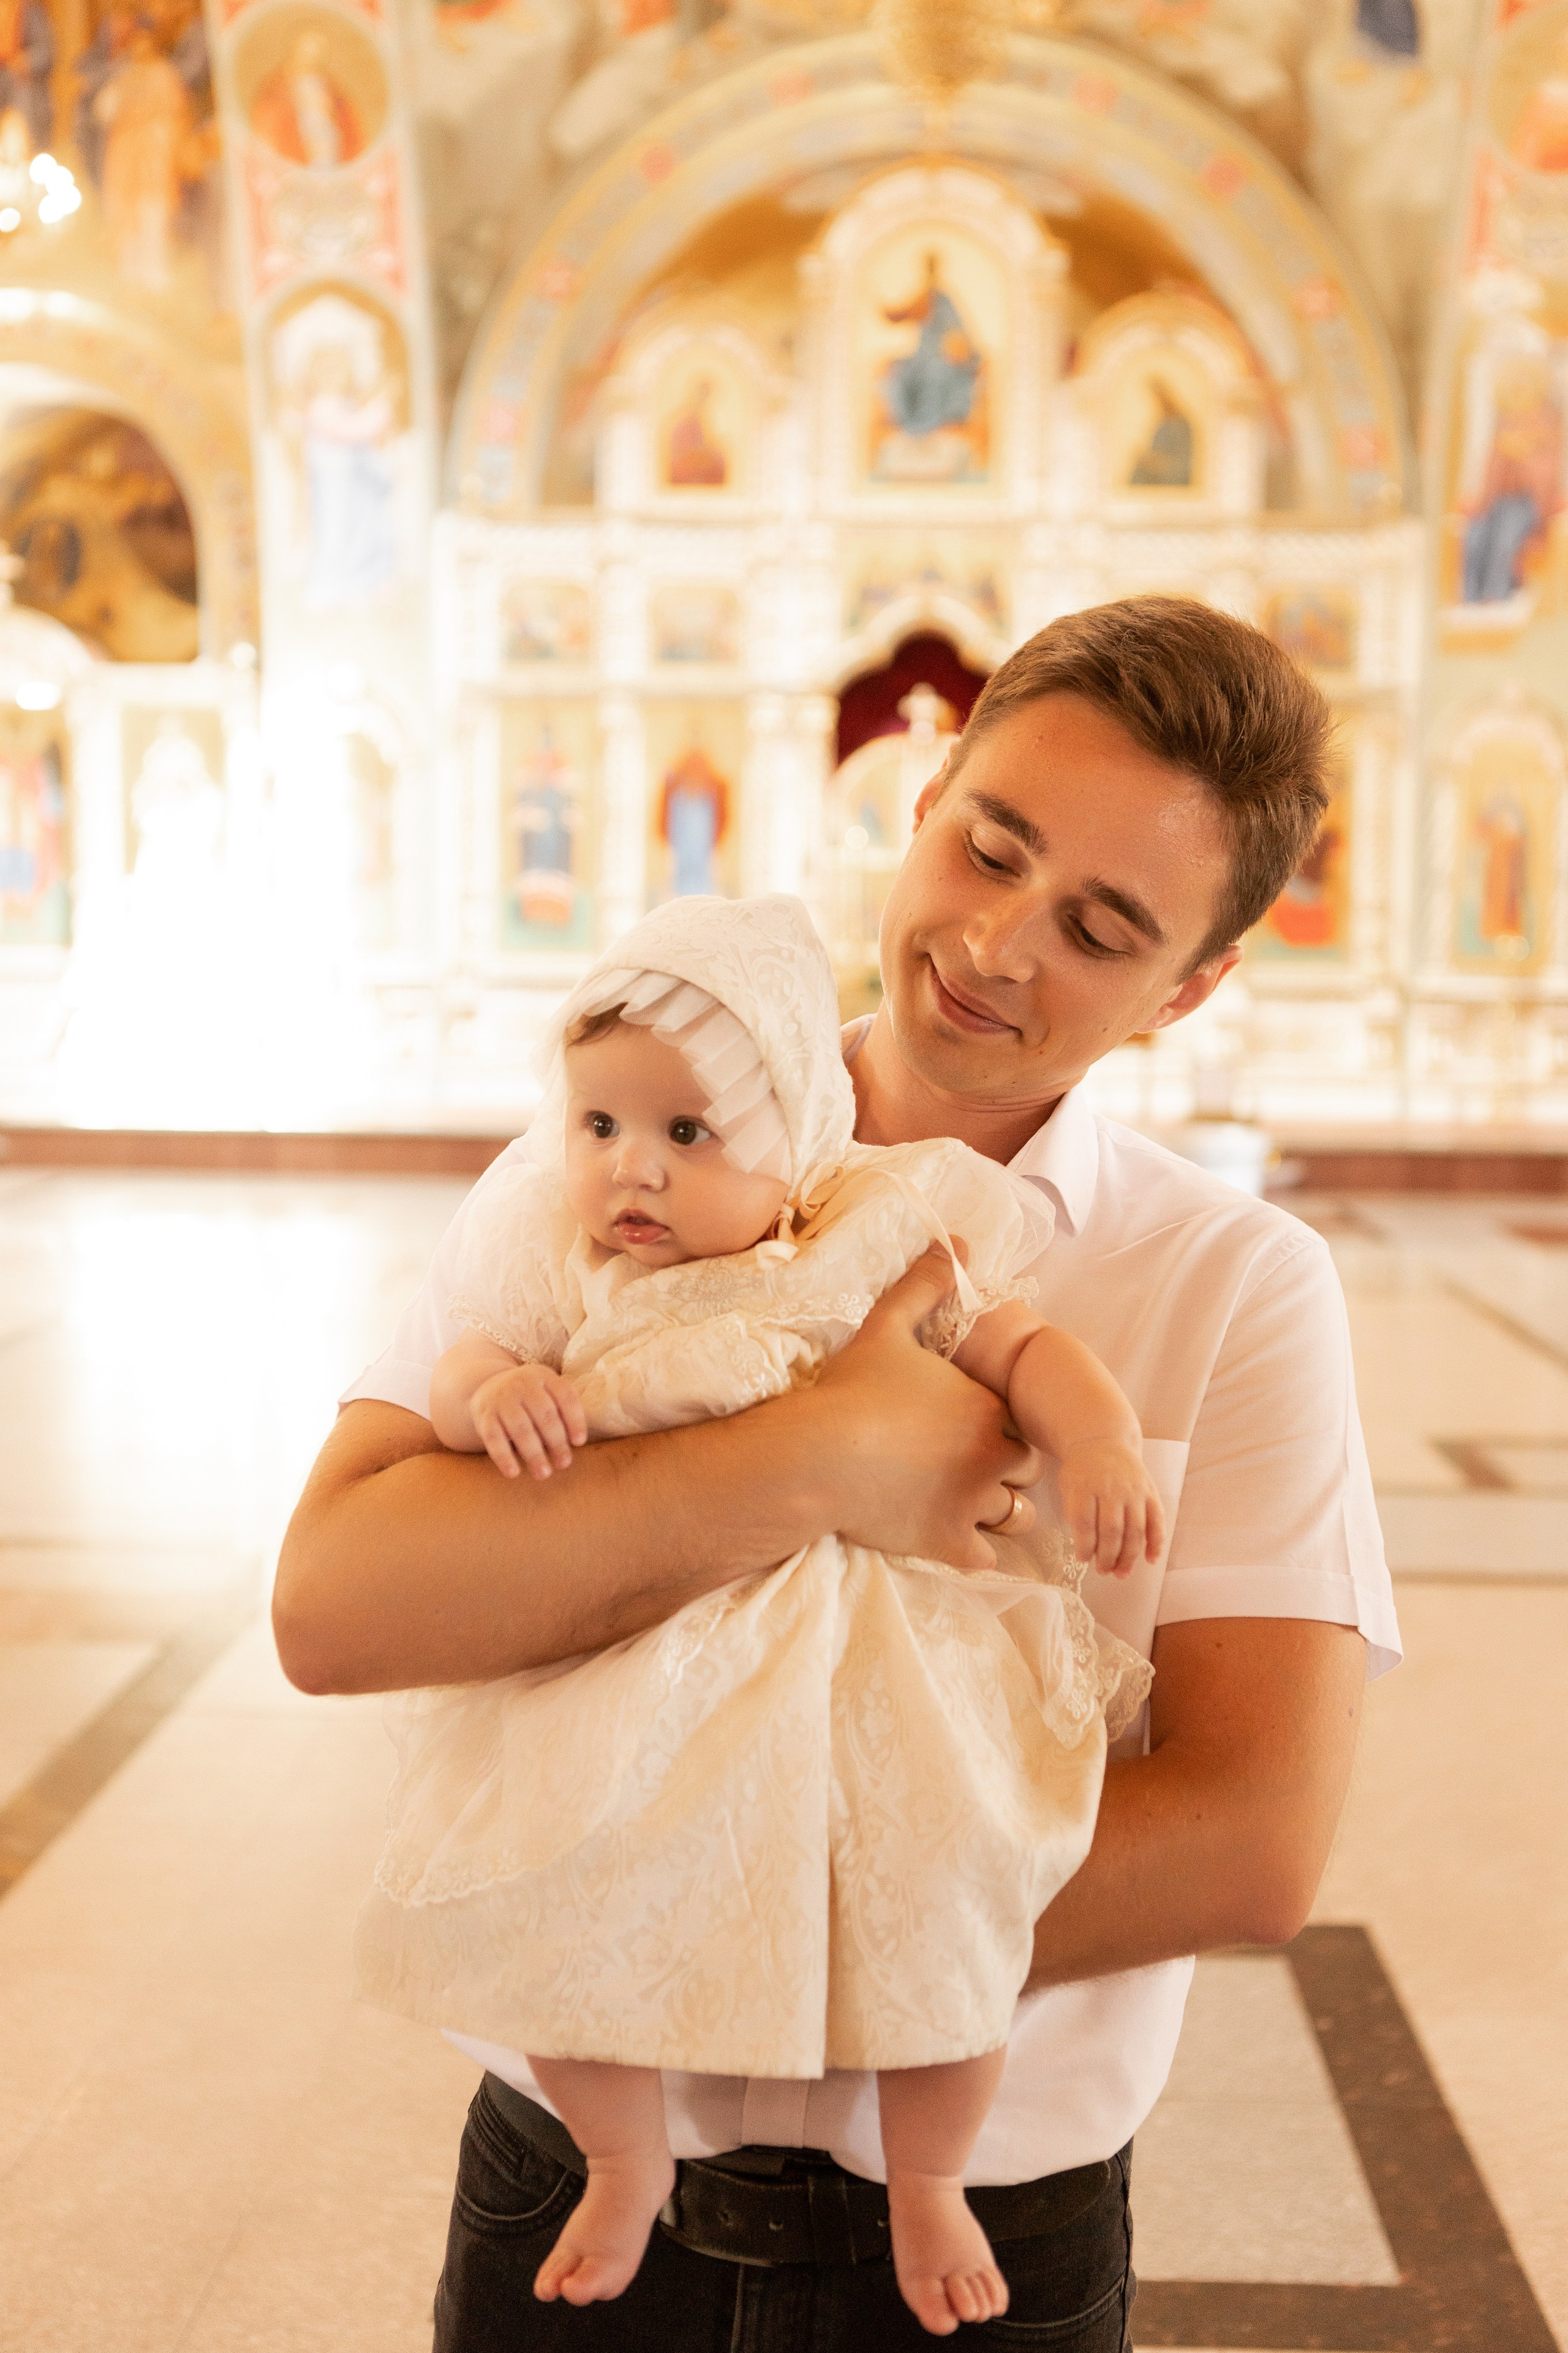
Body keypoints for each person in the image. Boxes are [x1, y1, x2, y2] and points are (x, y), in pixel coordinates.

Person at [276, 595, 1400, 2351]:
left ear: (1192, 988)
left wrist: (670, 1900)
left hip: (980, 2236)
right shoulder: (618, 1149)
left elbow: (1251, 1843)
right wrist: (822, 1459)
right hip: (567, 2186)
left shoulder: (1234, 1288)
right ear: (927, 782)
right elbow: (336, 1606)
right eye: (990, 844)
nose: (997, 943)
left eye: (1102, 927)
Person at [355, 890, 1159, 2335]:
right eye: (599, 1126)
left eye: (685, 1133)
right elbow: (456, 1371)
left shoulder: (865, 1228)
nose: (630, 1172)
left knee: (949, 1881)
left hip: (860, 1660)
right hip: (633, 1645)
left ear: (791, 1136)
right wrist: (497, 1398)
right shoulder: (558, 1254)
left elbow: (1018, 1339)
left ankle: (927, 2178)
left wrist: (1093, 1441)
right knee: (554, 1883)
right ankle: (618, 2151)